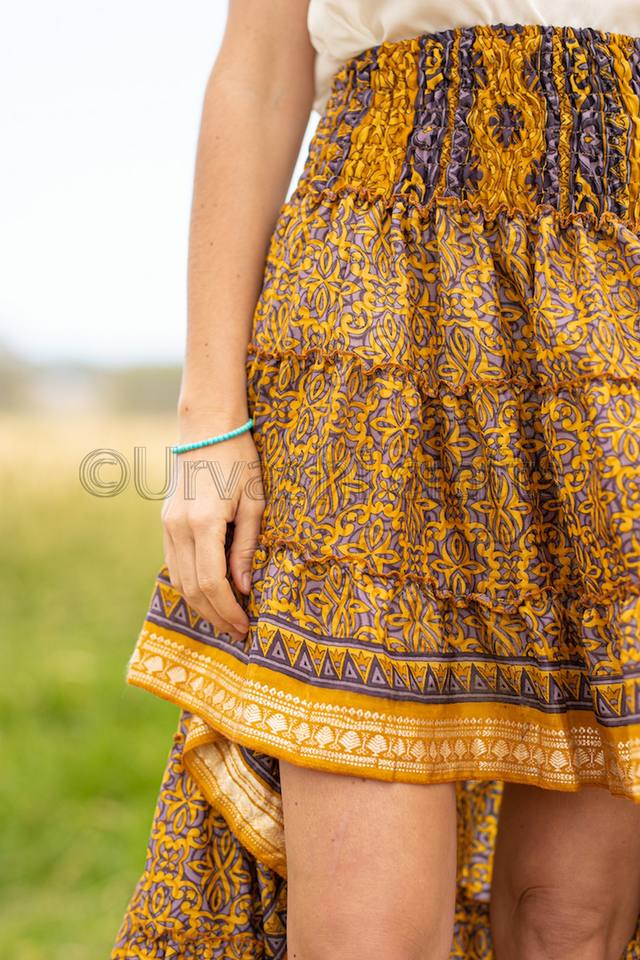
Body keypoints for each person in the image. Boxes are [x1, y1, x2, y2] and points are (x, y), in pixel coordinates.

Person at [112, 2, 640, 958]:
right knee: (365, 934)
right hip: (373, 312)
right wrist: (208, 423)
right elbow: (258, 77)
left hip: (620, 308)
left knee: (573, 923)